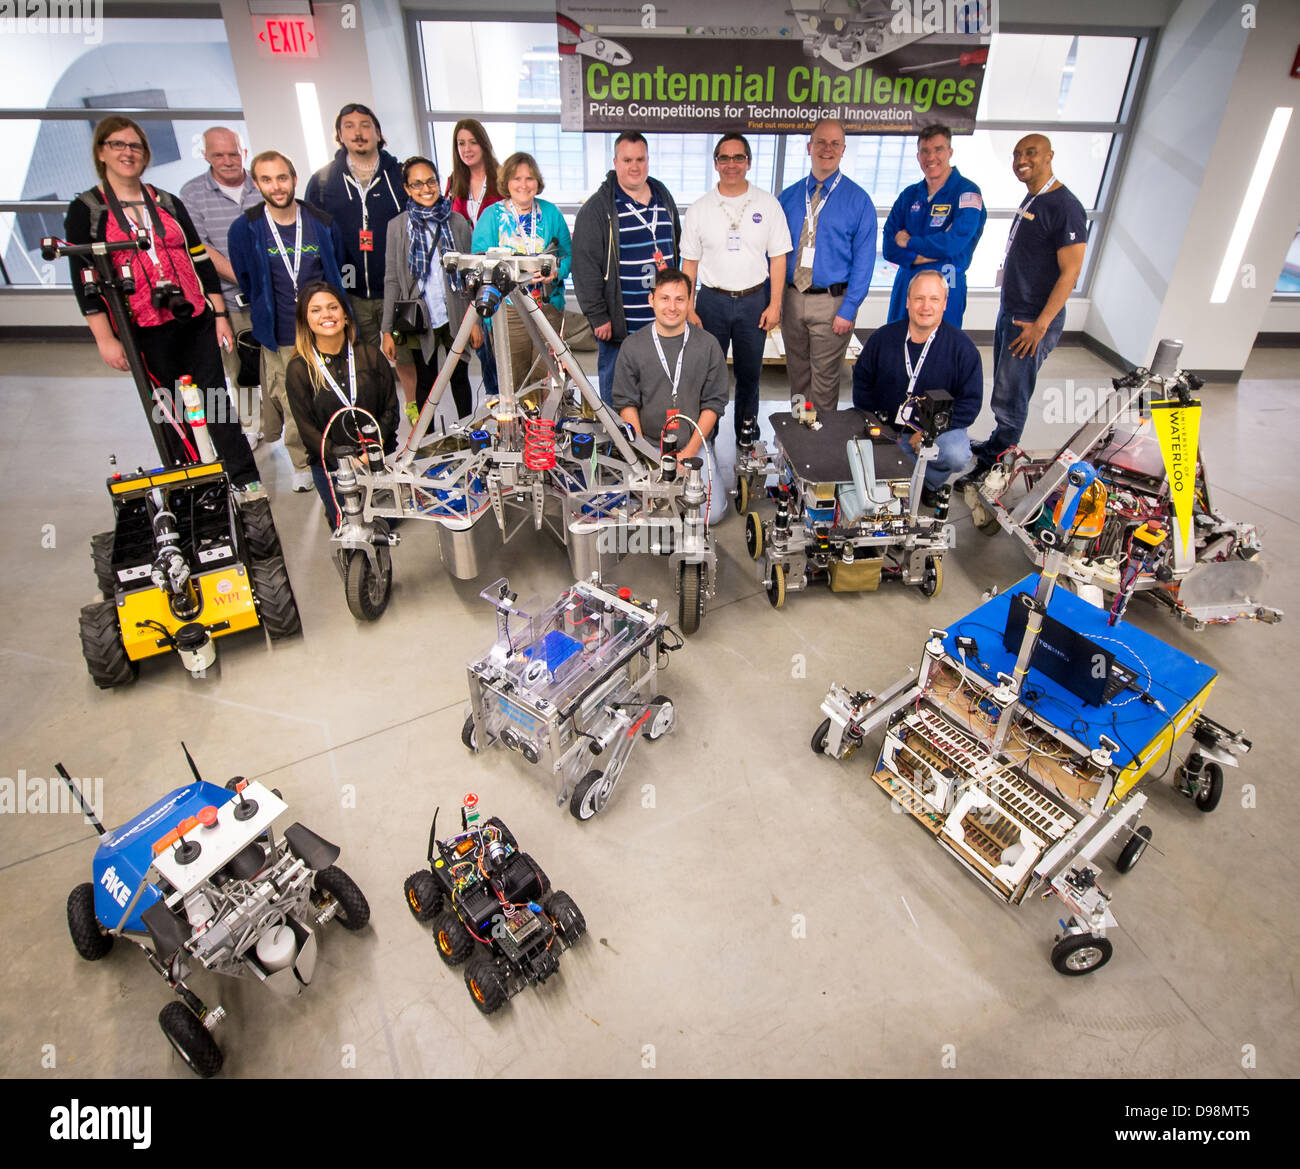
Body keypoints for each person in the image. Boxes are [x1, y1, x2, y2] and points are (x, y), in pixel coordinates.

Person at [63, 116, 259, 489]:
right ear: (101, 152)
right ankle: (193, 484)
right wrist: (105, 338)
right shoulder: (87, 209)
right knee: (169, 408)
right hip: (142, 327)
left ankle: (245, 479)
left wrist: (218, 313)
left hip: (195, 317)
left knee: (216, 399)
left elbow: (199, 258)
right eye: (118, 144)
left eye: (135, 145)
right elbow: (82, 280)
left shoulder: (166, 201)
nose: (128, 152)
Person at [964, 133, 1087, 478]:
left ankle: (996, 465)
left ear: (1049, 156)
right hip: (1014, 312)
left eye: (1030, 153)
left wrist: (1040, 325)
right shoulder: (1035, 199)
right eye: (1017, 154)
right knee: (1004, 387)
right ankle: (995, 446)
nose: (1022, 159)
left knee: (1011, 396)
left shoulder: (1064, 206)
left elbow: (1071, 273)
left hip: (1032, 320)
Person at [228, 150, 349, 492]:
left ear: (294, 179)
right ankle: (302, 463)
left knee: (329, 392)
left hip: (323, 326)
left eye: (282, 177)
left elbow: (335, 267)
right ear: (257, 184)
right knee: (292, 398)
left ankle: (337, 454)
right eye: (266, 179)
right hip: (279, 330)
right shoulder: (246, 228)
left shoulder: (321, 222)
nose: (276, 186)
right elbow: (246, 277)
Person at [681, 132, 791, 443]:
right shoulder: (700, 208)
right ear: (715, 163)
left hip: (754, 301)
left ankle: (746, 429)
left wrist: (775, 305)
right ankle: (707, 431)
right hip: (711, 302)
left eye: (738, 157)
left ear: (749, 163)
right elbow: (689, 264)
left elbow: (778, 258)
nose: (732, 164)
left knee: (749, 373)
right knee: (708, 373)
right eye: (725, 158)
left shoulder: (767, 204)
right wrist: (689, 307)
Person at [851, 270, 982, 506]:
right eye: (919, 298)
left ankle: (930, 484)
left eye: (934, 299)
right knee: (856, 460)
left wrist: (931, 432)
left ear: (944, 304)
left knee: (956, 453)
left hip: (932, 437)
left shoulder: (963, 349)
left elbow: (970, 404)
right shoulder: (883, 338)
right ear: (908, 302)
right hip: (887, 432)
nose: (926, 306)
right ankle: (898, 473)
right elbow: (862, 384)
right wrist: (877, 427)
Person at [612, 267, 729, 524]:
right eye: (664, 298)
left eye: (680, 299)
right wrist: (641, 454)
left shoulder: (708, 346)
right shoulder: (633, 347)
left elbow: (714, 404)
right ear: (651, 300)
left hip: (693, 445)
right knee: (634, 512)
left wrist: (690, 451)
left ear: (690, 301)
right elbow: (626, 402)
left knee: (712, 514)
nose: (672, 307)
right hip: (649, 444)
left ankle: (705, 468)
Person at [572, 131, 681, 405]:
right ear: (615, 162)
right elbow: (584, 267)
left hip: (663, 320)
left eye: (640, 159)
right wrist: (597, 316)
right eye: (627, 159)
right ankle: (615, 447)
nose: (634, 166)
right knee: (617, 396)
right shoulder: (598, 210)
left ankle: (654, 445)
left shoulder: (663, 198)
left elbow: (677, 249)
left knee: (660, 394)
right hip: (621, 327)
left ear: (648, 160)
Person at [778, 118, 877, 416]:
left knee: (823, 381)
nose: (827, 148)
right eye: (821, 141)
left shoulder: (859, 201)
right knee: (798, 375)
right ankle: (798, 431)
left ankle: (818, 442)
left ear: (843, 150)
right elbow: (776, 252)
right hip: (792, 297)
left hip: (832, 303)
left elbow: (864, 260)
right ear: (809, 147)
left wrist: (849, 308)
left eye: (835, 143)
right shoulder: (789, 197)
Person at [286, 282, 400, 531]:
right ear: (305, 321)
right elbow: (307, 430)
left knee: (386, 524)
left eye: (332, 307)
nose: (326, 315)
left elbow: (391, 410)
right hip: (333, 466)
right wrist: (348, 461)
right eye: (315, 310)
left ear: (345, 315)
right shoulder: (299, 369)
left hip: (377, 456)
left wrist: (369, 452)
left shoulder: (371, 356)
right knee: (349, 528)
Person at [382, 156, 478, 422]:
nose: (426, 189)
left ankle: (468, 431)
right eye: (417, 184)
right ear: (407, 188)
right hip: (419, 315)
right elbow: (391, 279)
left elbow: (471, 275)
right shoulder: (397, 227)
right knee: (426, 382)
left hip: (455, 313)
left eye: (431, 181)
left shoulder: (457, 223)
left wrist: (475, 322)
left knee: (460, 376)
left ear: (439, 182)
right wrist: (386, 330)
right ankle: (426, 440)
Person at [304, 103, 405, 354]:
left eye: (365, 126)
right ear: (339, 135)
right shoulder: (323, 181)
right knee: (360, 357)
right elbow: (312, 235)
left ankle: (411, 397)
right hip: (349, 290)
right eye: (349, 126)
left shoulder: (400, 176)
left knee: (406, 359)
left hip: (398, 288)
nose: (358, 133)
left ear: (378, 133)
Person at [179, 127, 264, 425]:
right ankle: (252, 426)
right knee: (241, 367)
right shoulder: (192, 194)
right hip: (229, 300)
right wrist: (247, 280)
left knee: (281, 365)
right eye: (218, 155)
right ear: (206, 156)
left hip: (272, 296)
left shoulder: (263, 184)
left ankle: (286, 423)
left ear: (243, 152)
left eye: (233, 153)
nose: (227, 161)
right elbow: (201, 250)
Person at [470, 152, 571, 393]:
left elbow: (568, 256)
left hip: (547, 306)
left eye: (529, 178)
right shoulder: (491, 216)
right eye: (517, 178)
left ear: (537, 182)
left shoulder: (551, 213)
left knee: (548, 375)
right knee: (514, 378)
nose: (523, 185)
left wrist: (555, 272)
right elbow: (479, 263)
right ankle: (521, 430)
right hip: (509, 311)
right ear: (507, 182)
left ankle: (546, 430)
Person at [881, 123, 986, 328]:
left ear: (950, 152)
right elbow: (889, 247)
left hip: (946, 281)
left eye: (938, 150)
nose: (931, 157)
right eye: (925, 151)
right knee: (895, 344)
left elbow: (952, 244)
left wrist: (910, 242)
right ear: (918, 155)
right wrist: (920, 256)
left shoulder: (968, 193)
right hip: (908, 281)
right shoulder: (909, 195)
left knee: (941, 349)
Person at [445, 118, 502, 397]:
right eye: (461, 143)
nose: (467, 149)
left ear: (484, 143)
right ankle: (495, 402)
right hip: (469, 276)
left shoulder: (501, 178)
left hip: (498, 271)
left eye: (472, 142)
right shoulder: (454, 183)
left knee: (504, 347)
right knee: (483, 349)